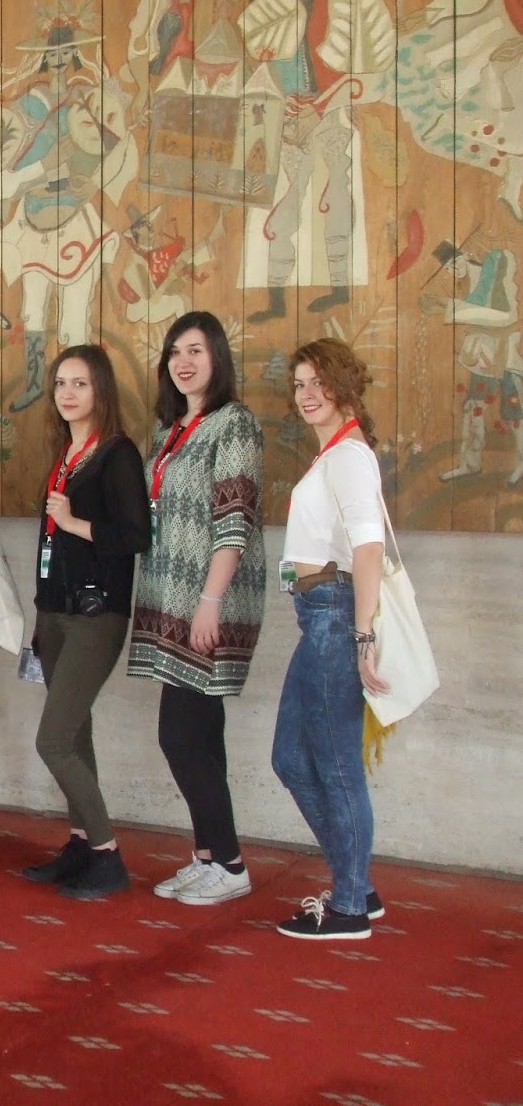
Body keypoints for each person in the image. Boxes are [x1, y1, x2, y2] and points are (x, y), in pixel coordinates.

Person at [129, 312, 266, 905]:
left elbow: (234, 519)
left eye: (196, 350)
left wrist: (209, 601)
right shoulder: (169, 430)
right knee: (203, 735)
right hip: (170, 599)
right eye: (174, 352)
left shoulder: (234, 424)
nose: (183, 362)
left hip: (209, 600)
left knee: (179, 735)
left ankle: (230, 863)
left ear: (218, 358)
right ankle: (209, 855)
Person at [20, 345, 150, 899]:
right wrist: (40, 614)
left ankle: (106, 853)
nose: (68, 394)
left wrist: (75, 523)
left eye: (81, 384)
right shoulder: (66, 453)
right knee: (75, 733)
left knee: (53, 741)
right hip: (55, 614)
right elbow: (49, 546)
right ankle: (79, 843)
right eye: (60, 384)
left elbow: (135, 536)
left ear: (102, 391)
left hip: (96, 617)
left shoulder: (116, 454)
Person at [271, 338, 390, 940]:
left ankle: (349, 906)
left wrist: (362, 636)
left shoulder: (349, 457)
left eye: (319, 381)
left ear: (345, 385)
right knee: (291, 759)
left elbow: (368, 549)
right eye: (299, 384)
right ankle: (356, 883)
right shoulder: (335, 455)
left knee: (338, 765)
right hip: (318, 615)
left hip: (336, 616)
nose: (307, 394)